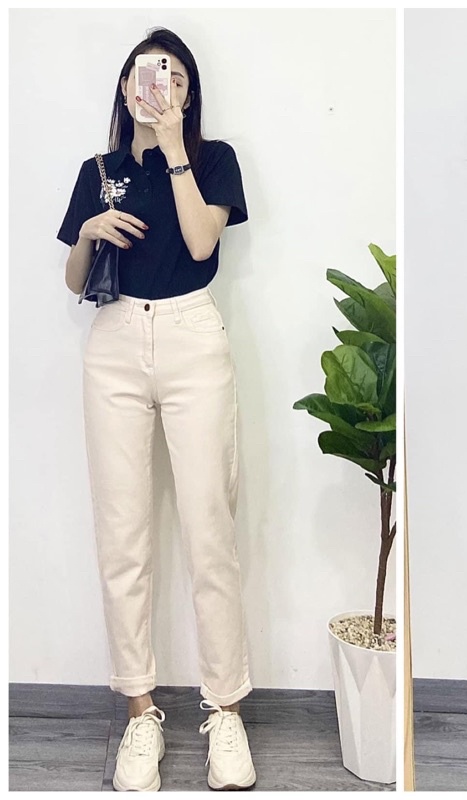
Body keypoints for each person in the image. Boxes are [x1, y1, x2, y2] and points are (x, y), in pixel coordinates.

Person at [57, 28, 255, 792]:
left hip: (191, 335)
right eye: (146, 75)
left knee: (210, 528)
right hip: (113, 341)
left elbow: (203, 245)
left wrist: (173, 147)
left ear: (188, 92)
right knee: (122, 533)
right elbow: (74, 278)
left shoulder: (214, 159)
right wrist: (88, 231)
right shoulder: (97, 171)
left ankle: (225, 710)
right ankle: (141, 712)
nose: (158, 86)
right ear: (124, 86)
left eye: (174, 77)